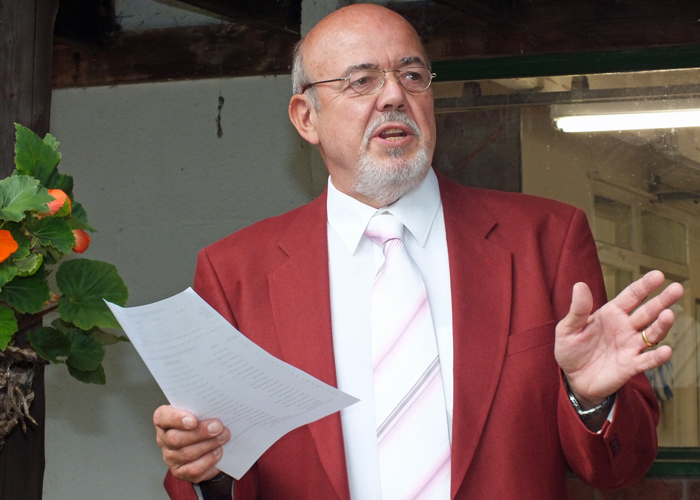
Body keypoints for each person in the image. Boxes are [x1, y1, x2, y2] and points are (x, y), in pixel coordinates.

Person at [153, 4, 684, 499]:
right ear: (305, 118)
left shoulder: (545, 238)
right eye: (361, 81)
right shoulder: (234, 273)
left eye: (412, 76)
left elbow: (621, 466)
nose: (393, 97)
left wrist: (591, 399)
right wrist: (207, 467)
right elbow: (204, 477)